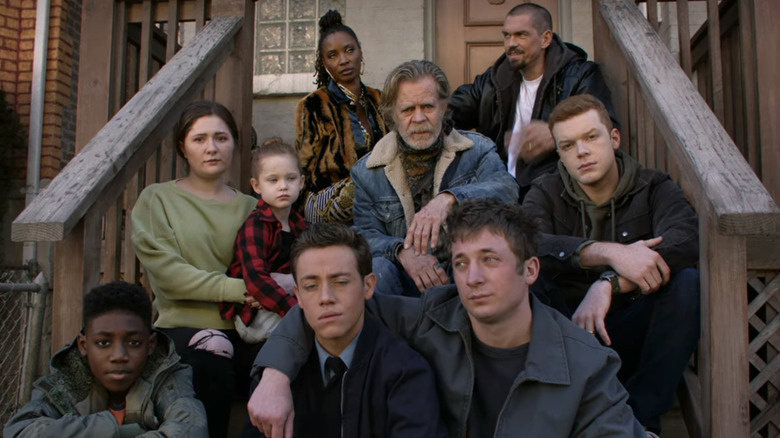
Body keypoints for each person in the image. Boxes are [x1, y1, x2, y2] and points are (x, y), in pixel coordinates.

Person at [247, 198, 647, 438]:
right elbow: (333, 309)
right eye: (460, 263)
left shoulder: (584, 364)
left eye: (489, 260)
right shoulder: (433, 316)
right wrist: (275, 375)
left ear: (530, 271)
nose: (472, 278)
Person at [522, 94, 700, 436]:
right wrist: (611, 254)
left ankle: (641, 421)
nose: (582, 152)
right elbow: (533, 245)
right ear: (558, 153)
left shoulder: (654, 187)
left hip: (633, 327)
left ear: (614, 138)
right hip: (568, 331)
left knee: (688, 283)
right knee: (527, 277)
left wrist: (608, 284)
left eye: (591, 137)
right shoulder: (543, 191)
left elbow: (685, 241)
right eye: (568, 145)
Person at [244, 223, 447, 438]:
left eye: (340, 282)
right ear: (299, 296)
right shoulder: (274, 380)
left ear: (368, 286)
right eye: (311, 286)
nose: (325, 298)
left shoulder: (406, 372)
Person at [131, 100, 259, 437]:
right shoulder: (157, 199)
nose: (212, 148)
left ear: (234, 142)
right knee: (209, 364)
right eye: (199, 139)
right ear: (183, 148)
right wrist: (240, 289)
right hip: (184, 325)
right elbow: (169, 276)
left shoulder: (255, 207)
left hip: (249, 325)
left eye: (221, 137)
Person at [352, 59, 518, 295]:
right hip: (405, 279)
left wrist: (450, 199)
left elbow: (508, 190)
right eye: (408, 110)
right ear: (392, 115)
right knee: (377, 270)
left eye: (427, 107)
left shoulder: (476, 149)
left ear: (444, 108)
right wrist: (401, 251)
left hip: (463, 273)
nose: (419, 119)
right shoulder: (368, 171)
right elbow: (364, 236)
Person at [449, 2, 616, 198]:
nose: (511, 43)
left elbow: (602, 128)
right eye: (507, 36)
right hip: (498, 188)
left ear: (545, 39)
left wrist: (556, 135)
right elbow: (456, 107)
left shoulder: (579, 76)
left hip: (555, 193)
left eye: (521, 35)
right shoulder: (495, 79)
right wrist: (426, 111)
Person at [4, 281, 208, 438]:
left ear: (150, 344)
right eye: (103, 343)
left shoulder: (165, 374)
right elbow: (20, 431)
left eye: (134, 343)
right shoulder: (69, 378)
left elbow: (190, 429)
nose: (119, 356)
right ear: (84, 346)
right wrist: (117, 430)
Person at [296, 10, 388, 224]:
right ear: (325, 63)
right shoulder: (313, 105)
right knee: (361, 184)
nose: (344, 60)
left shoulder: (380, 99)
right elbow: (304, 166)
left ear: (360, 52)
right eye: (333, 55)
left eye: (349, 50)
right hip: (326, 200)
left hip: (373, 196)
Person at [220, 137, 308, 343]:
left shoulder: (300, 225)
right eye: (273, 180)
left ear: (302, 182)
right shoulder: (256, 225)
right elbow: (256, 280)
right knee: (314, 328)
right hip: (256, 316)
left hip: (286, 303)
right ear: (256, 185)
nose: (283, 186)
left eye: (291, 178)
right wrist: (295, 310)